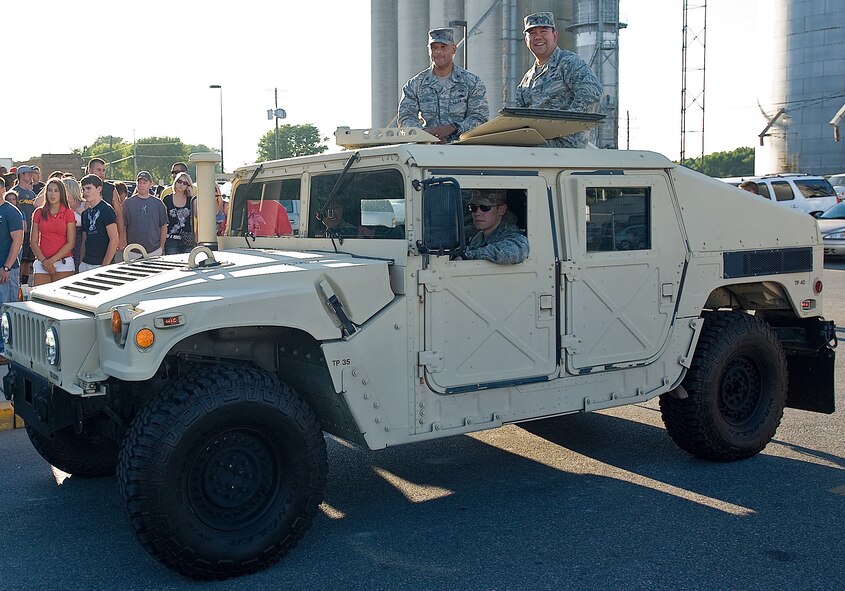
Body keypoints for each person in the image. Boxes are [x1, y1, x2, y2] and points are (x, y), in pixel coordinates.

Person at [516, 11, 603, 148]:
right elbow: (518, 117)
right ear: (526, 40)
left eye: (543, 31)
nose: (538, 37)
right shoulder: (526, 80)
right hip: (534, 147)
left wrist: (564, 128)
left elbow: (592, 92)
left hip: (565, 147)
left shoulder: (567, 62)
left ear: (555, 35)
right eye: (532, 33)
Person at [398, 27, 489, 143]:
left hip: (463, 149)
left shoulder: (472, 83)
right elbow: (406, 118)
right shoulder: (414, 85)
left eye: (443, 47)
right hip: (427, 151)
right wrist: (426, 134)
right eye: (434, 48)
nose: (438, 52)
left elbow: (480, 118)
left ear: (453, 49)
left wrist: (453, 128)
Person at [460, 190, 529, 264]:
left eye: (485, 207)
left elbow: (517, 250)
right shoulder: (479, 237)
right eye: (473, 208)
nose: (477, 213)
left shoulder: (511, 233)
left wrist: (469, 255)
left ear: (501, 209)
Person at [30, 178, 76, 286]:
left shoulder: (68, 213)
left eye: (56, 191)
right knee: (39, 298)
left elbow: (71, 243)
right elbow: (33, 242)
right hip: (42, 262)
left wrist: (51, 261)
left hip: (63, 262)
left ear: (62, 193)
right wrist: (44, 261)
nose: (52, 194)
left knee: (61, 299)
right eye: (50, 190)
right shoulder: (38, 212)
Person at [0, 180, 24, 362]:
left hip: (6, 270)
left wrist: (7, 266)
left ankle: (6, 351)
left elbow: (17, 241)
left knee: (6, 311)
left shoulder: (10, 211)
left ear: (3, 189)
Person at [122, 170, 168, 258]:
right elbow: (123, 226)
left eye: (144, 182)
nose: (142, 185)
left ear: (150, 184)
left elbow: (163, 226)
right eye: (140, 182)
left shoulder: (158, 203)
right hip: (133, 250)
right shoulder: (127, 203)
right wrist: (125, 246)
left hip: (154, 250)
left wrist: (161, 247)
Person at [86, 158, 126, 254]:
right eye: (98, 170)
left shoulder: (110, 188)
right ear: (89, 170)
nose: (101, 173)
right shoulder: (82, 188)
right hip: (87, 236)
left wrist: (121, 238)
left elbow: (119, 214)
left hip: (108, 237)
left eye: (103, 170)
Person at [79, 174, 118, 271]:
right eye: (83, 189)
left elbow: (114, 240)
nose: (85, 192)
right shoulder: (85, 213)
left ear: (99, 189)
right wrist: (81, 261)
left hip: (101, 263)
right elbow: (85, 240)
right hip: (86, 262)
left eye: (88, 188)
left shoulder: (106, 209)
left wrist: (104, 266)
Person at [12, 165, 38, 281]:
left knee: (29, 259)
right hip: (18, 230)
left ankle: (25, 284)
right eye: (28, 174)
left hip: (32, 230)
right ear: (21, 175)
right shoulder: (14, 192)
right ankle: (17, 283)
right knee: (20, 259)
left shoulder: (32, 194)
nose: (31, 176)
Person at [162, 171, 196, 254]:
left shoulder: (190, 200)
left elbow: (197, 215)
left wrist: (192, 196)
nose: (181, 185)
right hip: (171, 238)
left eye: (185, 183)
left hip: (188, 239)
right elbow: (162, 220)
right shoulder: (167, 199)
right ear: (175, 182)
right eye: (179, 181)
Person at [63, 177, 85, 271]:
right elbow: (37, 203)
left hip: (80, 242)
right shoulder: (60, 206)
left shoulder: (84, 204)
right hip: (64, 241)